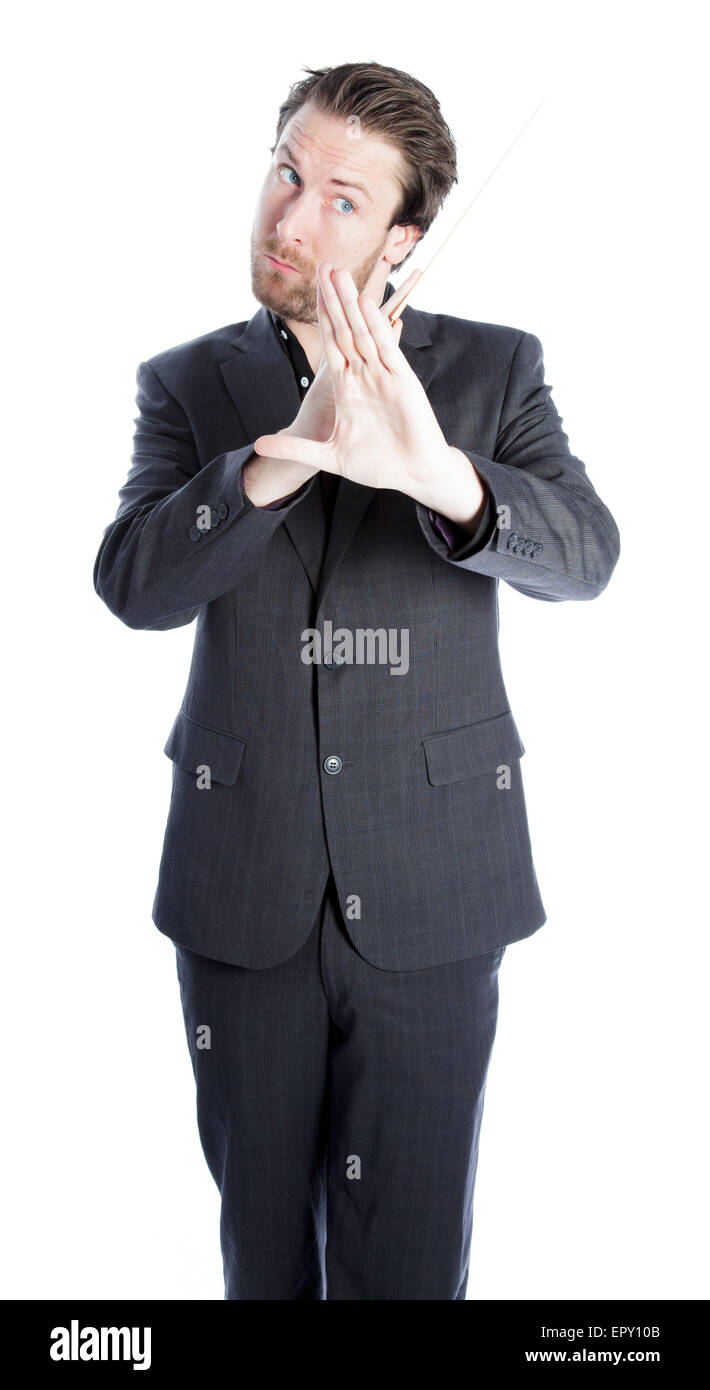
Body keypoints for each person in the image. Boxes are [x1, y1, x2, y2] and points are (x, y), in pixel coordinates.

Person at [93, 62, 620, 1300]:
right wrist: (280, 458)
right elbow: (134, 586)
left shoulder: (492, 372)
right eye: (285, 171)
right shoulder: (185, 384)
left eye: (339, 197)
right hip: (242, 890)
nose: (289, 218)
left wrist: (439, 472)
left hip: (438, 888)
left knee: (409, 1261)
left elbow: (586, 558)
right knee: (261, 1256)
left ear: (402, 236)